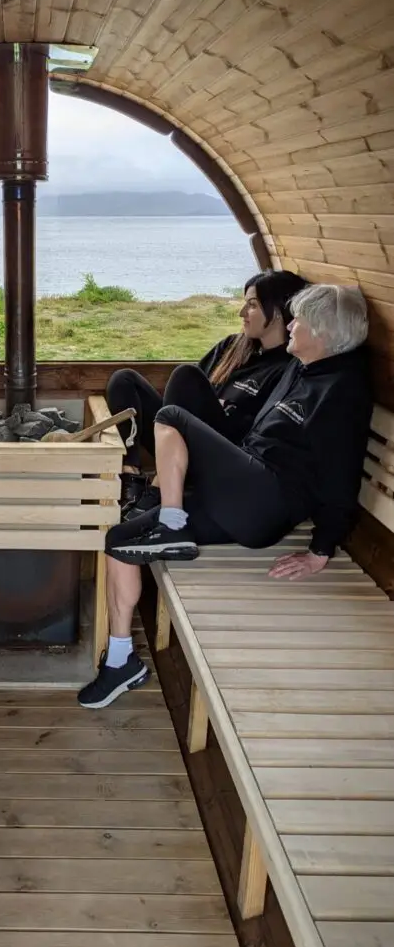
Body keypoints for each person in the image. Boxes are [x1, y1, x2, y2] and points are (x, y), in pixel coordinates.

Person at [79, 283, 372, 708]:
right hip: (239, 490)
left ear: (324, 333)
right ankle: (121, 662)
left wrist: (320, 550)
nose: (291, 325)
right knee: (120, 540)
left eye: (300, 320)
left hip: (267, 501)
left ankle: (170, 521)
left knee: (170, 416)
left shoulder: (343, 389)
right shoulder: (300, 366)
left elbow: (340, 475)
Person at [107, 269, 308, 512]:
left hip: (218, 456)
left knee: (184, 374)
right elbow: (189, 395)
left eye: (252, 305)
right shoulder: (232, 346)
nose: (242, 313)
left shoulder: (286, 368)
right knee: (124, 380)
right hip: (178, 444)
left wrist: (221, 411)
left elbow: (255, 432)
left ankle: (161, 487)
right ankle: (131, 476)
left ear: (276, 311)